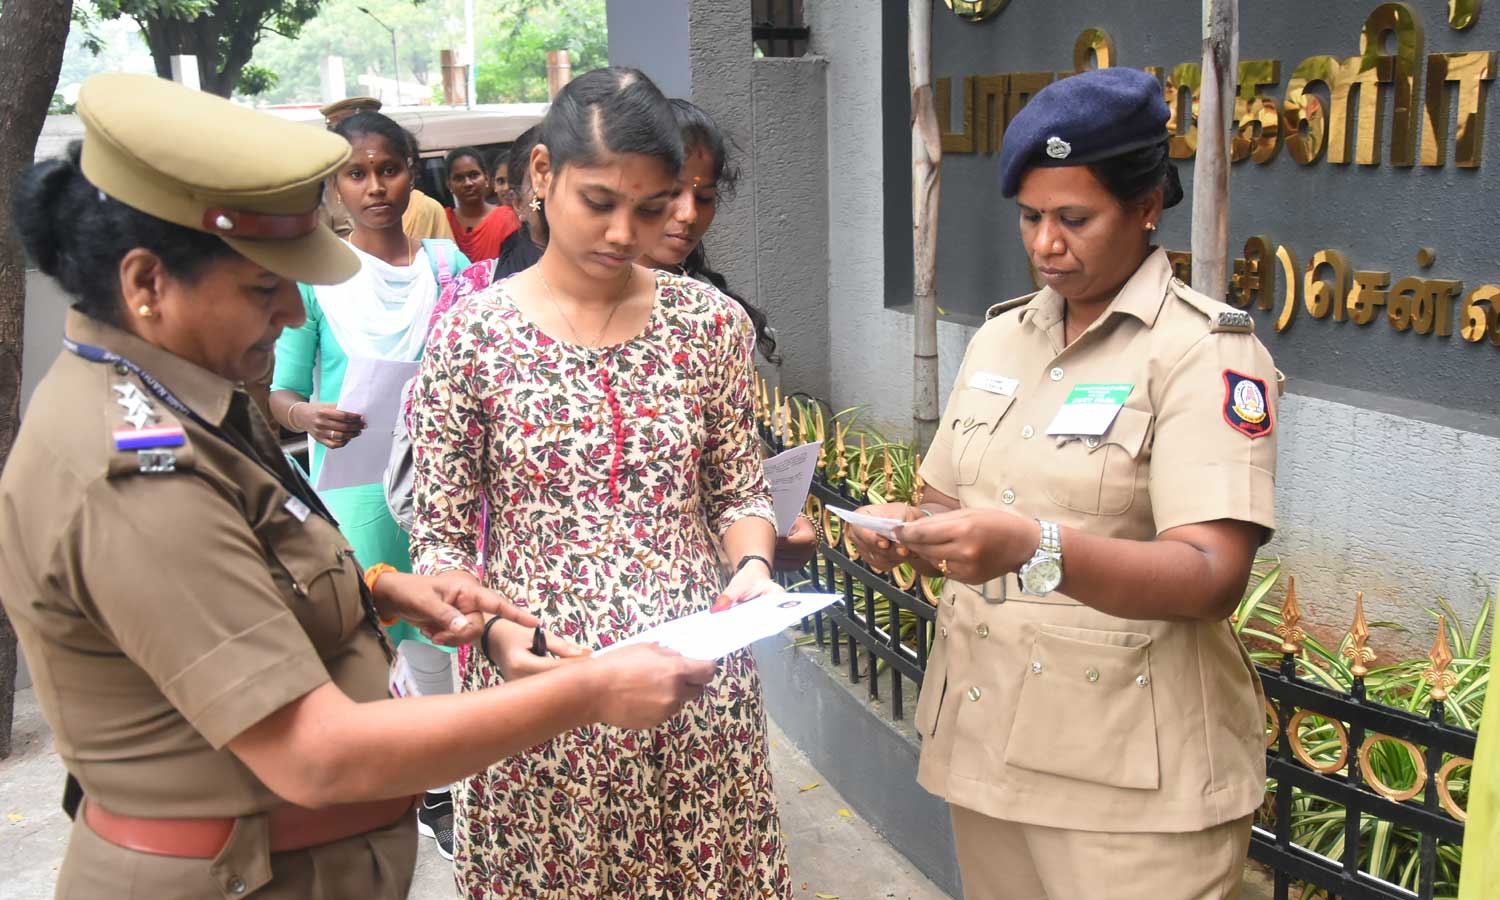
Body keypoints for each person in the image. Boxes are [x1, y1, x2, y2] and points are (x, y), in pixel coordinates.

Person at [0, 72, 717, 900]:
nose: (294, 315)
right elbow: (318, 752)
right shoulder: (133, 471)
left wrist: (380, 591)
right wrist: (591, 690)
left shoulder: (185, 398)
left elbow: (244, 588)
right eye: (265, 286)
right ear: (147, 285)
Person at [847, 67, 1278, 900]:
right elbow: (950, 513)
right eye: (1032, 217)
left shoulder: (1202, 353)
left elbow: (1211, 577)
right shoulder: (1002, 338)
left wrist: (1034, 547)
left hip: (1130, 788)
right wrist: (905, 531)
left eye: (1075, 219)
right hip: (987, 748)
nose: (1048, 243)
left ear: (1147, 205)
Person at [408, 67, 792, 898]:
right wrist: (492, 636)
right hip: (540, 680)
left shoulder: (709, 325)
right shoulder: (470, 337)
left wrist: (753, 567)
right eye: (601, 201)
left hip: (695, 684)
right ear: (543, 175)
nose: (625, 230)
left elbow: (738, 488)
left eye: (651, 208)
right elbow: (437, 533)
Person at [267, 110, 470, 858]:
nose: (375, 185)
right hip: (355, 481)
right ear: (334, 187)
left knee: (464, 608)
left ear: (412, 173)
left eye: (388, 168)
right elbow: (274, 391)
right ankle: (442, 788)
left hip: (449, 475)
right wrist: (306, 414)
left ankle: (472, 762)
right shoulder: (313, 281)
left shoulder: (449, 268)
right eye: (357, 173)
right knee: (403, 621)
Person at [637, 98, 816, 572]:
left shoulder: (712, 319)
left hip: (708, 592)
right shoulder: (523, 322)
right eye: (670, 192)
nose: (687, 214)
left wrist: (765, 529)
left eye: (705, 196)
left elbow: (733, 477)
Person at [443, 146, 519, 262]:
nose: (468, 183)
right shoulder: (443, 220)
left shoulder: (506, 218)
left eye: (474, 175)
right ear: (449, 184)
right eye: (459, 178)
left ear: (487, 179)